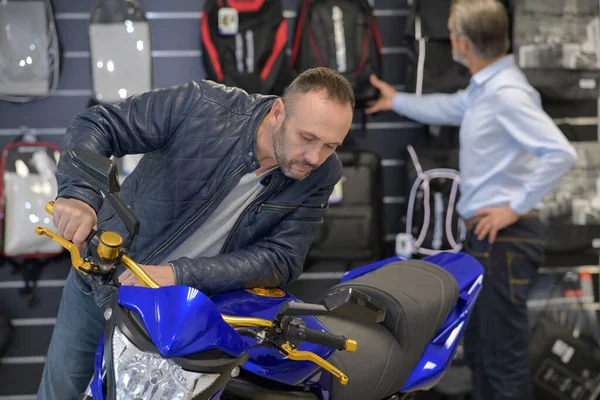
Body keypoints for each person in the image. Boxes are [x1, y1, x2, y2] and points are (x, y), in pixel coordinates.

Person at [37, 67, 354, 399]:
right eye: (306, 138)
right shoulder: (203, 105)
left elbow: (282, 259)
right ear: (278, 112)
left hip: (183, 316)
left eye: (331, 145)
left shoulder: (323, 173)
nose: (315, 157)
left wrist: (179, 274)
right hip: (102, 284)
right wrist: (79, 193)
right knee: (62, 394)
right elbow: (98, 124)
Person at [365, 0, 577, 399]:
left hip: (505, 240)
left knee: (501, 361)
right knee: (483, 354)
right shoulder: (487, 89)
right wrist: (396, 101)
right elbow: (450, 107)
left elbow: (561, 153)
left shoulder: (507, 94)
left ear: (461, 42)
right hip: (489, 240)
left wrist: (512, 209)